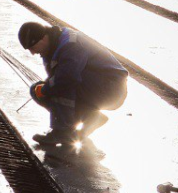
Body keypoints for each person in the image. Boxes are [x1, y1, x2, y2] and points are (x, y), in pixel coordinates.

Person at [18, 22, 128, 156]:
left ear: (43, 38)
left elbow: (66, 78)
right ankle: (89, 117)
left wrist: (46, 88)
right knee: (39, 90)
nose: (33, 52)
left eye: (33, 47)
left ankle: (62, 131)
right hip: (94, 85)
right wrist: (43, 89)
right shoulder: (50, 48)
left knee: (62, 84)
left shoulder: (71, 44)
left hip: (111, 87)